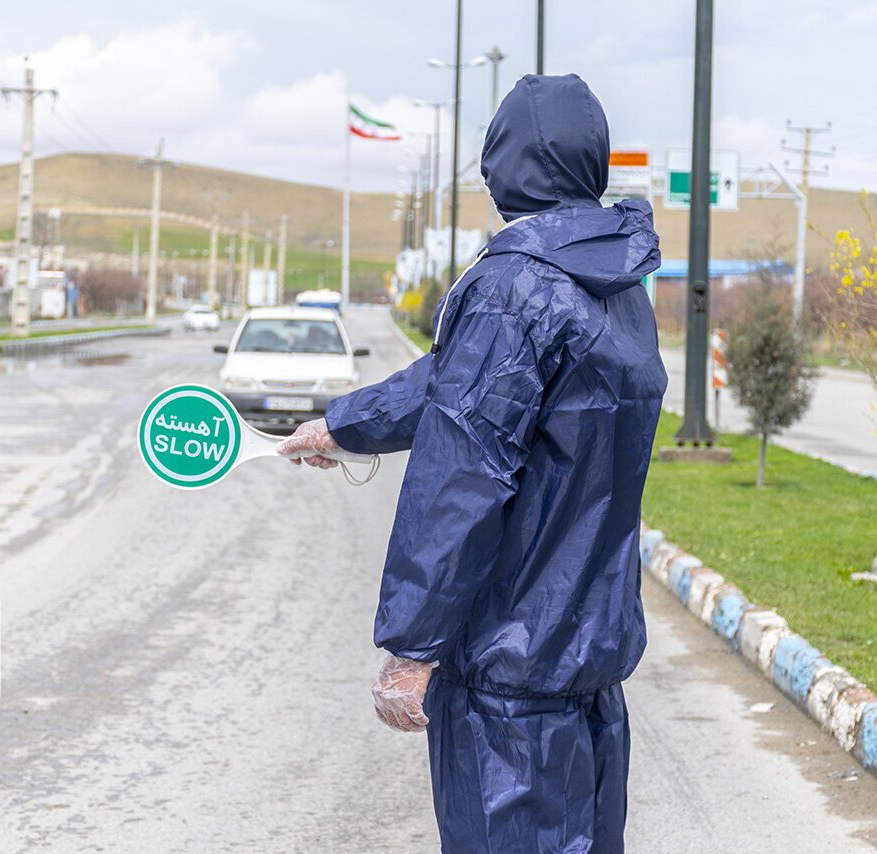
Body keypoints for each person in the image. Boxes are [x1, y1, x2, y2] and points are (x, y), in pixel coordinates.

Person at [277, 73, 666, 854]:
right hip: (589, 664)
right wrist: (345, 426)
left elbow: (461, 478)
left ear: (502, 166)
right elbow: (459, 381)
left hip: (508, 685)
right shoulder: (616, 285)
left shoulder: (512, 288)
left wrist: (411, 647)